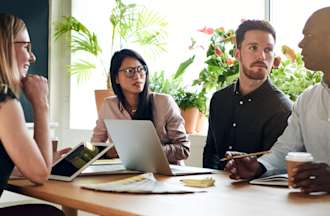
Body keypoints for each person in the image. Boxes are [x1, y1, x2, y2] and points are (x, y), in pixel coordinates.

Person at [225, 7, 330, 194]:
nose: (300, 44)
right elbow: (284, 151)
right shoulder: (307, 99)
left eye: (310, 36)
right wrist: (257, 167)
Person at [203, 20, 292, 170]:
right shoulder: (219, 99)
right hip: (216, 188)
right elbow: (210, 153)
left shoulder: (282, 108)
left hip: (257, 190)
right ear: (238, 54)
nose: (262, 56)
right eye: (253, 48)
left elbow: (274, 166)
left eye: (268, 50)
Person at [0, 13, 64, 215]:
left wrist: (31, 159)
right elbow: (40, 174)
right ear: (5, 46)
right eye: (26, 47)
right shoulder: (4, 102)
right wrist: (41, 103)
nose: (32, 56)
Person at [91, 48, 190, 165]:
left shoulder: (164, 102)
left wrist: (145, 152)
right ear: (116, 78)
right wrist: (108, 152)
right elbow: (95, 147)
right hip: (125, 174)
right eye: (129, 71)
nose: (137, 76)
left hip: (165, 175)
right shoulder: (109, 106)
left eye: (141, 69)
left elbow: (184, 149)